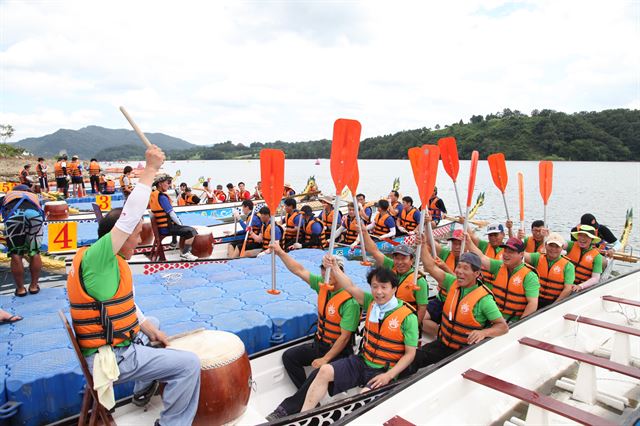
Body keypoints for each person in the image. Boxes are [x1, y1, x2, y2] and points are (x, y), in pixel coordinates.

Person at [67, 144, 200, 425]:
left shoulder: (103, 262)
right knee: (188, 365)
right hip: (112, 357)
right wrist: (150, 169)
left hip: (107, 347)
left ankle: (142, 392)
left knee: (152, 321)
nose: (141, 240)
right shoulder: (99, 258)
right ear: (116, 236)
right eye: (137, 234)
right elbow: (129, 218)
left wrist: (149, 329)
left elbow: (127, 308)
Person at [268, 262, 418, 419]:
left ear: (394, 289)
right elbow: (350, 286)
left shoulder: (408, 317)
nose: (378, 292)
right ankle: (304, 416)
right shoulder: (370, 302)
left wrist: (389, 375)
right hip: (361, 362)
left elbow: (410, 354)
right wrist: (332, 267)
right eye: (374, 287)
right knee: (324, 370)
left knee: (363, 397)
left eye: (383, 287)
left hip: (384, 370)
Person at [272, 243, 360, 390]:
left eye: (331, 270)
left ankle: (303, 401)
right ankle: (304, 395)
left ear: (340, 272)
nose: (326, 274)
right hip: (319, 344)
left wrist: (325, 359)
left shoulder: (350, 302)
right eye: (324, 269)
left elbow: (344, 338)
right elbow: (299, 270)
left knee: (316, 376)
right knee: (289, 357)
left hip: (339, 352)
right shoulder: (322, 287)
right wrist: (280, 252)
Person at [412, 248, 508, 369]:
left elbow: (503, 327)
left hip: (464, 352)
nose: (459, 271)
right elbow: (431, 267)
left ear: (476, 273)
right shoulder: (452, 282)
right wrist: (423, 244)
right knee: (414, 358)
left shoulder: (484, 299)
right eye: (459, 267)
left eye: (465, 268)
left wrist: (484, 333)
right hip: (443, 344)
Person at [360, 227, 428, 323]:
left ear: (412, 260)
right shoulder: (392, 266)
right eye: (397, 258)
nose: (399, 262)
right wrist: (364, 233)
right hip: (387, 314)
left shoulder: (419, 281)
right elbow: (374, 251)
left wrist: (415, 327)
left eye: (403, 258)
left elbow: (422, 308)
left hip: (405, 320)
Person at [467, 235, 540, 323]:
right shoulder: (498, 266)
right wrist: (468, 242)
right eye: (505, 250)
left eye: (511, 252)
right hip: (493, 316)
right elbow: (482, 257)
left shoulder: (530, 276)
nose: (505, 254)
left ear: (521, 254)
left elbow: (532, 304)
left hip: (513, 321)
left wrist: (519, 325)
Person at [1, 184, 44, 296]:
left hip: (14, 215)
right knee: (34, 251)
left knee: (16, 253)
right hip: (34, 215)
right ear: (27, 190)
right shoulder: (34, 196)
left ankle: (21, 289)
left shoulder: (8, 196)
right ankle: (34, 287)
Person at [149, 174, 198, 260]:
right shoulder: (162, 197)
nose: (169, 184)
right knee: (191, 231)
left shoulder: (153, 195)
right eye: (168, 182)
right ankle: (185, 253)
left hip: (161, 227)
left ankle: (174, 243)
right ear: (160, 184)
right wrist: (181, 225)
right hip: (166, 229)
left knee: (177, 225)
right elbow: (172, 214)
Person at [523, 232, 575, 309]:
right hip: (535, 299)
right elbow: (521, 255)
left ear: (562, 247)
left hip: (553, 301)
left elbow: (567, 289)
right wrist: (518, 239)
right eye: (551, 245)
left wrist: (554, 306)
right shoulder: (537, 257)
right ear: (546, 245)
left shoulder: (568, 266)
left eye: (557, 246)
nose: (553, 249)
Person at [565, 224, 603, 291]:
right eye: (581, 235)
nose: (582, 238)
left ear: (592, 239)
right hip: (565, 282)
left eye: (586, 236)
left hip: (579, 286)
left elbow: (595, 278)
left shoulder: (597, 256)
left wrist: (580, 286)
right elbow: (559, 243)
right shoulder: (571, 245)